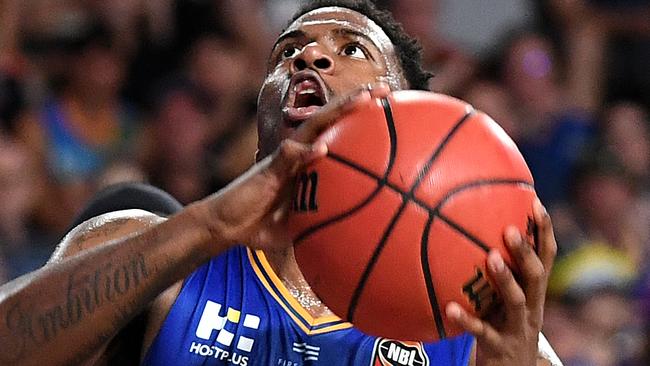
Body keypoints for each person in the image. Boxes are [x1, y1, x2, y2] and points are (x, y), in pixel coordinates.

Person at [0, 1, 559, 365]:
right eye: (286, 52)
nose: (308, 56)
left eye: (350, 49)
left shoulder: (477, 319)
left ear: (408, 109)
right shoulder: (151, 247)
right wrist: (210, 223)